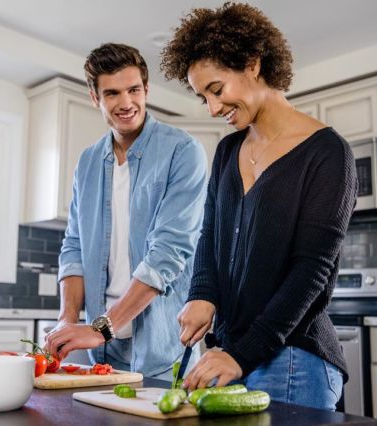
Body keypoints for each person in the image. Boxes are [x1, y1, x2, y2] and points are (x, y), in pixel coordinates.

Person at [160, 3, 357, 410]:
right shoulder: (228, 150)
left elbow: (312, 271)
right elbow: (210, 235)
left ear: (252, 63)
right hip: (229, 353)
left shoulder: (327, 153)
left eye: (216, 90)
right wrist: (202, 295)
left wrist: (243, 354)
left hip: (291, 358)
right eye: (203, 99)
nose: (213, 109)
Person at [44, 43, 207, 380]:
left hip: (162, 348)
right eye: (112, 93)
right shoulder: (88, 162)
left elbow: (168, 253)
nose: (126, 103)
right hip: (99, 348)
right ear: (95, 98)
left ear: (146, 89)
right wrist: (67, 319)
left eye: (134, 90)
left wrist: (103, 326)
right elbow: (73, 246)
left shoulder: (182, 151)